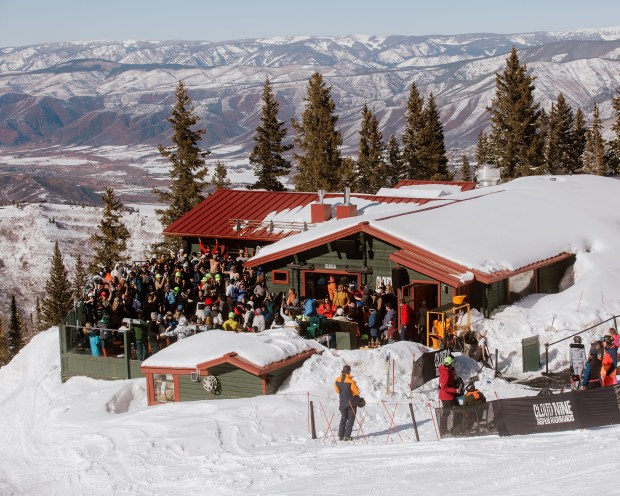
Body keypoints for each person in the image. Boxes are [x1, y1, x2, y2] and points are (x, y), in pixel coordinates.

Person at [334, 364, 361, 441]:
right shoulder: (351, 382)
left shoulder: (337, 380)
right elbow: (357, 392)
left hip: (342, 403)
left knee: (343, 418)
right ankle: (347, 436)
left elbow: (337, 391)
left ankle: (341, 436)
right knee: (351, 419)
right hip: (351, 403)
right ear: (349, 371)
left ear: (343, 370)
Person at [438, 355, 463, 434]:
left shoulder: (443, 369)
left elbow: (441, 384)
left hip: (444, 396)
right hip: (448, 397)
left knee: (446, 413)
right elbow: (444, 388)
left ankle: (443, 430)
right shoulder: (446, 373)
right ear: (450, 364)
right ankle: (455, 429)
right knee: (458, 411)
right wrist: (456, 390)